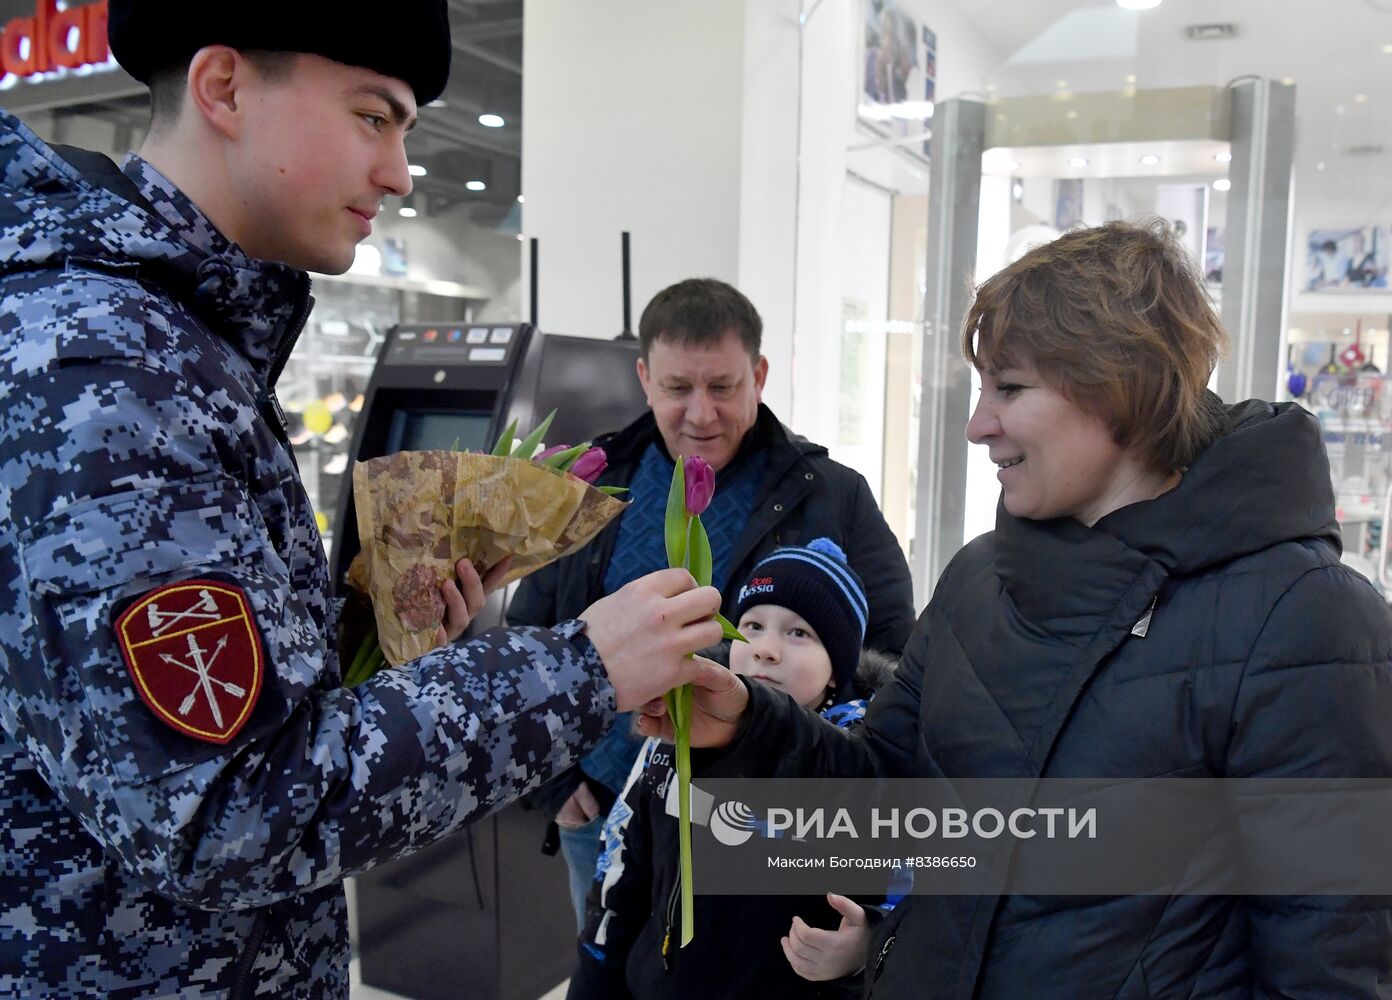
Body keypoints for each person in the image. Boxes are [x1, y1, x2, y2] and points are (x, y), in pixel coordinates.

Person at [0, 5, 727, 997]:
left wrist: (353, 638)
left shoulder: (170, 345)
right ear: (224, 88)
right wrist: (583, 667)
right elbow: (234, 807)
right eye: (373, 118)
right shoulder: (112, 374)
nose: (399, 173)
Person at [640, 220, 1392, 997]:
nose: (977, 425)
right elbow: (880, 811)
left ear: (1119, 389)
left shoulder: (1307, 620)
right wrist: (747, 727)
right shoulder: (979, 578)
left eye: (1010, 387)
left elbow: (1327, 962)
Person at [507, 277, 916, 924]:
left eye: (723, 387)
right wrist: (556, 779)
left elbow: (894, 663)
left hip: (765, 828)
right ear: (645, 377)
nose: (701, 414)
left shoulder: (831, 496)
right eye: (677, 388)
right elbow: (529, 636)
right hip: (606, 805)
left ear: (758, 374)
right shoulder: (592, 483)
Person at [567, 539, 896, 999]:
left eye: (798, 633)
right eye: (752, 625)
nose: (765, 649)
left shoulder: (859, 768)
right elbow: (623, 863)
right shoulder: (677, 733)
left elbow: (898, 889)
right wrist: (596, 975)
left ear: (837, 671)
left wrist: (865, 947)